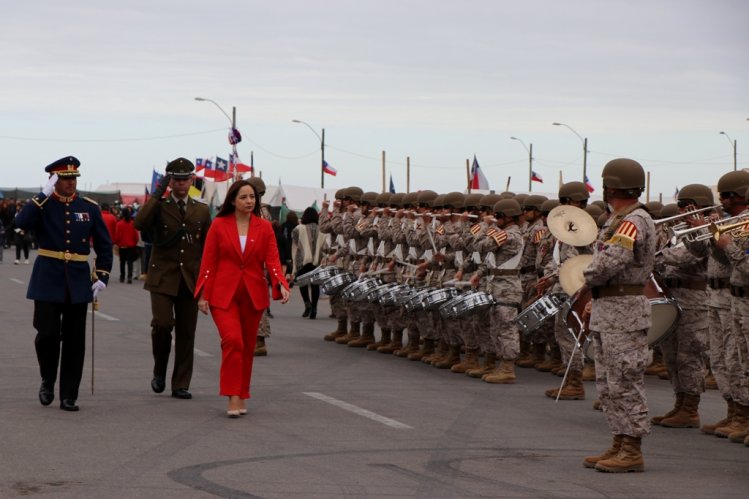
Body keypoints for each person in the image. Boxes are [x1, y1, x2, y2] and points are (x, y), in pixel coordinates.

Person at [14, 156, 113, 411]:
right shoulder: (43, 205)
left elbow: (103, 244)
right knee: (46, 335)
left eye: (73, 178)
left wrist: (102, 275)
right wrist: (41, 195)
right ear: (54, 180)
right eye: (65, 179)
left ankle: (69, 394)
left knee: (74, 340)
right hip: (48, 278)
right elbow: (21, 223)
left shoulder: (89, 207)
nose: (71, 183)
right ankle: (47, 378)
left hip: (78, 281)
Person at [580, 158, 656, 472]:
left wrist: (585, 273)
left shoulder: (632, 221)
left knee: (625, 380)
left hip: (623, 313)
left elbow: (610, 263)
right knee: (609, 382)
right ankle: (619, 440)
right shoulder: (620, 219)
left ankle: (632, 449)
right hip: (610, 310)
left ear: (612, 186)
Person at [196, 180, 290, 417]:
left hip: (252, 294)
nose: (249, 201)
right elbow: (209, 262)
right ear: (233, 201)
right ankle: (232, 396)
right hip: (222, 295)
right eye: (244, 197)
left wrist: (281, 283)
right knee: (233, 341)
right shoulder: (218, 225)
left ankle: (242, 393)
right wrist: (203, 295)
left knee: (247, 347)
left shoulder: (264, 228)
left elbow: (272, 260)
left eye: (252, 197)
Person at [134, 158, 212, 400]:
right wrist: (157, 193)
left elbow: (208, 246)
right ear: (170, 181)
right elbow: (139, 222)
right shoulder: (160, 205)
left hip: (190, 278)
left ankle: (180, 383)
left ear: (191, 180)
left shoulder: (201, 210)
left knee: (187, 333)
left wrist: (208, 280)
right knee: (163, 324)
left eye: (184, 179)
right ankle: (159, 370)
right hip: (163, 277)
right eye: (176, 179)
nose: (181, 184)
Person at [291, 207, 325, 319]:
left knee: (302, 283)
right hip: (317, 261)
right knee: (315, 284)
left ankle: (307, 304)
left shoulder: (298, 228)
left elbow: (295, 240)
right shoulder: (322, 229)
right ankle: (314, 308)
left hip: (303, 261)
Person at [114, 206, 140, 283]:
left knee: (122, 262)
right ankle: (129, 277)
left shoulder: (119, 224)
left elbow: (117, 236)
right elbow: (136, 236)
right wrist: (134, 244)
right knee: (130, 262)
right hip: (131, 246)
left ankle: (122, 276)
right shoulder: (133, 223)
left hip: (122, 246)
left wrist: (117, 243)